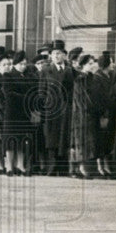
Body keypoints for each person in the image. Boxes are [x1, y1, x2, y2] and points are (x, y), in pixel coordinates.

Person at [38, 40, 74, 176]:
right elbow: (41, 92)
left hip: (66, 109)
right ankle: (51, 167)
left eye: (59, 54)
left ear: (64, 55)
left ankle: (63, 168)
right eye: (53, 54)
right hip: (51, 109)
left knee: (64, 137)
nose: (56, 56)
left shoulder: (70, 71)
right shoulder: (46, 70)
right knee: (51, 138)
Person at [0, 51, 35, 176]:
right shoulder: (7, 76)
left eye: (25, 64)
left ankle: (20, 165)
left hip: (24, 112)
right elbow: (9, 94)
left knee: (22, 140)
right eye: (21, 63)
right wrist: (27, 97)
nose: (23, 66)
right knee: (10, 140)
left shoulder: (28, 76)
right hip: (12, 112)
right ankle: (9, 166)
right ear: (15, 64)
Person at [70, 54, 106, 178]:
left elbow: (99, 96)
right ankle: (82, 168)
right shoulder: (80, 80)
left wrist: (100, 111)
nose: (92, 65)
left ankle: (91, 168)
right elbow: (82, 100)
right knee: (83, 142)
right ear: (83, 65)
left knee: (93, 142)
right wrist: (92, 110)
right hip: (83, 116)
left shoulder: (94, 78)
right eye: (89, 63)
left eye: (93, 63)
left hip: (93, 114)